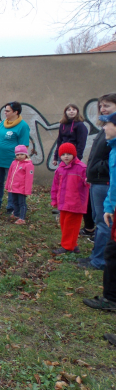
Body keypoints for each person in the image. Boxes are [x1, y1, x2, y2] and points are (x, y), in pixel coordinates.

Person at [82, 111, 116, 312]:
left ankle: (111, 299)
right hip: (113, 207)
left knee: (112, 253)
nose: (103, 128)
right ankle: (110, 298)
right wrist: (109, 207)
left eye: (107, 124)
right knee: (112, 252)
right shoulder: (113, 149)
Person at [79, 94, 116, 270]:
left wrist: (99, 169)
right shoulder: (105, 128)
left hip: (105, 182)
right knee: (97, 219)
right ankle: (96, 255)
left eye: (107, 106)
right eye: (101, 106)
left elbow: (111, 159)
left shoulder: (113, 129)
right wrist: (91, 172)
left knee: (104, 222)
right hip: (96, 181)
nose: (102, 109)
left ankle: (100, 260)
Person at [52, 104, 93, 238]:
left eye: (73, 109)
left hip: (73, 158)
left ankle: (74, 210)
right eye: (68, 109)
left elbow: (81, 143)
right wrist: (56, 157)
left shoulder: (80, 126)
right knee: (61, 184)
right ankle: (62, 206)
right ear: (65, 112)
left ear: (77, 112)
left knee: (73, 185)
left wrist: (76, 160)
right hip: (63, 157)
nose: (71, 111)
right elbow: (59, 141)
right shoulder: (63, 125)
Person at [0, 101, 31, 213]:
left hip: (12, 160)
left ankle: (11, 206)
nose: (5, 112)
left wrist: (20, 159)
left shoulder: (23, 126)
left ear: (16, 112)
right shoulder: (3, 123)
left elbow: (24, 145)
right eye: (5, 110)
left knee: (12, 183)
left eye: (8, 111)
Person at [51, 143, 89, 255]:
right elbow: (55, 186)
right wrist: (54, 199)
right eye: (63, 154)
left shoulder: (81, 168)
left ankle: (67, 247)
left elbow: (88, 183)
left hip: (76, 203)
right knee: (64, 224)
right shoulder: (60, 169)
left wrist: (88, 181)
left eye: (68, 154)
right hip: (63, 203)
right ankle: (73, 244)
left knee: (71, 225)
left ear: (74, 154)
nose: (66, 156)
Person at [5, 145, 34, 225]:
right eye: (17, 154)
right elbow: (10, 175)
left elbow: (29, 179)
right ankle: (16, 214)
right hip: (13, 187)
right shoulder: (14, 163)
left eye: (21, 154)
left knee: (22, 203)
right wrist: (8, 185)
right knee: (15, 202)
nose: (19, 156)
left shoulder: (28, 165)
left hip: (21, 188)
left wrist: (27, 190)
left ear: (26, 154)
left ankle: (22, 218)